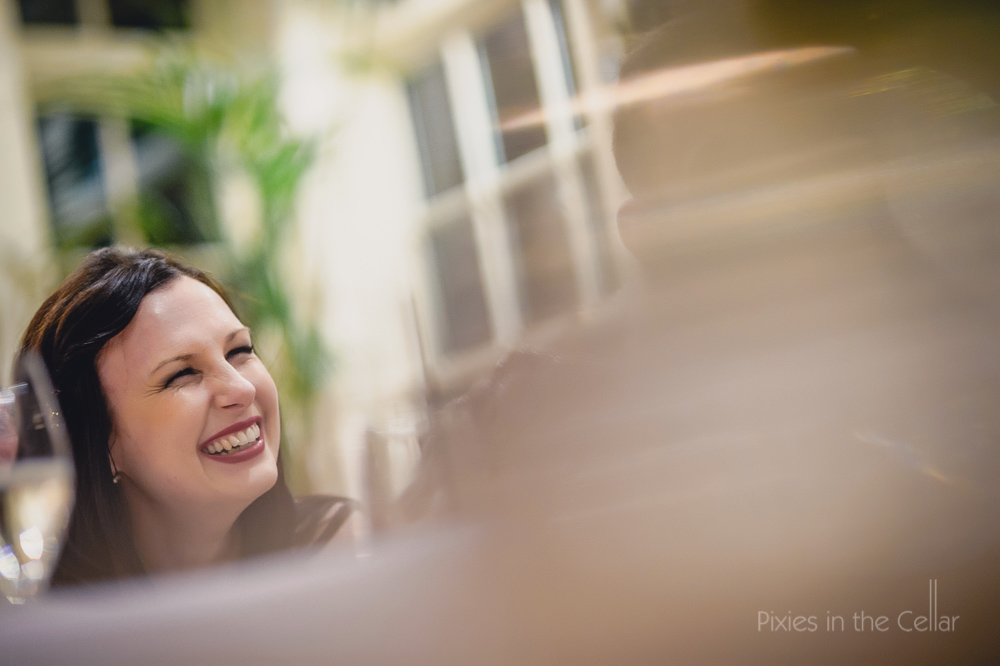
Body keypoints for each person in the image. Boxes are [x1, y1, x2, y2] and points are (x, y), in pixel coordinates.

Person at [18, 247, 358, 586]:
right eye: (181, 374)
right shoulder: (50, 622)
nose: (242, 389)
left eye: (239, 351)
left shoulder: (332, 552)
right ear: (95, 439)